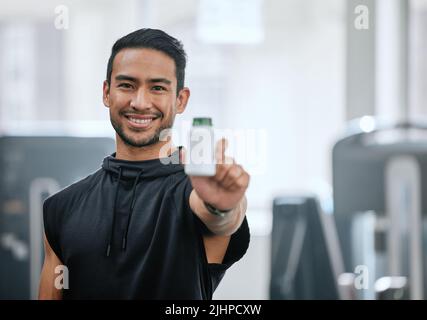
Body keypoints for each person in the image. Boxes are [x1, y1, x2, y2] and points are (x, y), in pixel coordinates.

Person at [38, 28, 250, 300]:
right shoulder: (60, 208)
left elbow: (220, 219)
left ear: (181, 99)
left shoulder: (197, 192)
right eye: (127, 85)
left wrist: (221, 205)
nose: (139, 103)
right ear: (106, 93)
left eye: (158, 88)